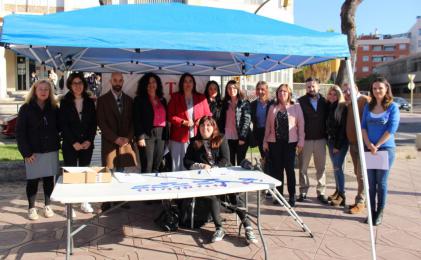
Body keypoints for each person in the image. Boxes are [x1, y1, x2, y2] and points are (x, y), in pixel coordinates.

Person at [183, 116, 257, 244]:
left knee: (234, 195)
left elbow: (226, 160)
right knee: (213, 194)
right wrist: (200, 166)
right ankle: (219, 228)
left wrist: (213, 168)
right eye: (202, 126)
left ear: (213, 127)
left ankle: (248, 227)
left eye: (208, 126)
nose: (204, 128)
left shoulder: (221, 138)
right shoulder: (194, 142)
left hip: (223, 175)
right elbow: (186, 161)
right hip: (207, 180)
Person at [16, 79, 60, 220]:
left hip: (50, 150)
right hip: (32, 153)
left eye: (46, 89)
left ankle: (47, 205)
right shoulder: (26, 108)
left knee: (49, 180)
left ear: (50, 92)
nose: (43, 92)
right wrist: (26, 153)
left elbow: (60, 127)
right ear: (34, 90)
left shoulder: (54, 108)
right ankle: (31, 208)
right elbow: (20, 133)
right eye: (40, 89)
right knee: (32, 181)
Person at [97, 72, 137, 211]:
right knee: (107, 171)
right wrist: (115, 138)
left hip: (125, 143)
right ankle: (107, 200)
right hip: (110, 142)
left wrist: (128, 138)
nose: (118, 83)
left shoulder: (129, 100)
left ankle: (120, 198)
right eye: (115, 80)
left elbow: (133, 122)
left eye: (120, 80)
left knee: (121, 172)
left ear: (123, 81)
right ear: (110, 81)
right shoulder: (102, 100)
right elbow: (101, 123)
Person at [361, 77, 399, 226]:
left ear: (386, 89)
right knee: (370, 183)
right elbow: (363, 126)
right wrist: (369, 144)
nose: (377, 91)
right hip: (370, 149)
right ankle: (371, 212)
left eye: (380, 88)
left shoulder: (392, 107)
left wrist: (377, 145)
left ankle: (380, 212)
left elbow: (391, 129)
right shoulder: (368, 107)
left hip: (385, 149)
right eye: (375, 88)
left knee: (381, 182)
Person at [60, 72, 97, 214]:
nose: (77, 86)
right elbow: (63, 125)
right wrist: (73, 142)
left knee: (84, 172)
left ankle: (84, 201)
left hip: (86, 144)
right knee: (70, 174)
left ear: (84, 84)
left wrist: (89, 140)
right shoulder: (64, 101)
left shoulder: (89, 101)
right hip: (70, 144)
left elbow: (93, 123)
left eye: (80, 83)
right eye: (74, 83)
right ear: (70, 85)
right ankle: (68, 206)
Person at [263, 84, 304, 207]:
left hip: (290, 144)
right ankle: (279, 196)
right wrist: (265, 141)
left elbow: (301, 125)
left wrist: (301, 141)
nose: (282, 93)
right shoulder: (272, 108)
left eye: (285, 91)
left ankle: (292, 196)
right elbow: (268, 127)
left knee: (290, 171)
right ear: (277, 94)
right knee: (277, 171)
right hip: (275, 143)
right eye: (280, 91)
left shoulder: (296, 107)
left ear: (289, 93)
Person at [167, 73, 212, 171]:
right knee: (178, 165)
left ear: (194, 83)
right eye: (185, 81)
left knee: (195, 163)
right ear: (181, 84)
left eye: (190, 81)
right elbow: (169, 116)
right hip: (179, 137)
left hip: (197, 137)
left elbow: (209, 115)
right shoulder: (175, 97)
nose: (188, 84)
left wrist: (201, 120)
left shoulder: (201, 98)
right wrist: (183, 122)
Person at [297, 77, 329, 204]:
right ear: (306, 88)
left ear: (318, 86)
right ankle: (303, 192)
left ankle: (321, 192)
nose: (311, 89)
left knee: (321, 168)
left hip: (321, 140)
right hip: (306, 140)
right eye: (309, 87)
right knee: (303, 168)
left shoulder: (325, 102)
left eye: (313, 86)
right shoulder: (300, 102)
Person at [341, 83, 370, 214]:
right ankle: (361, 199)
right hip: (352, 144)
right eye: (345, 91)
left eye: (349, 90)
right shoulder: (350, 103)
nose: (347, 92)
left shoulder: (365, 101)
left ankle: (361, 201)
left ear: (356, 89)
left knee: (362, 175)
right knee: (358, 174)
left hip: (363, 144)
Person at [133, 73, 168, 173]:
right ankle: (145, 188)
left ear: (157, 84)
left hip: (161, 135)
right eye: (148, 82)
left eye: (153, 82)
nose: (151, 84)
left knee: (157, 164)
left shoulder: (162, 100)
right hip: (147, 134)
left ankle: (155, 187)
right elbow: (136, 119)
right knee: (147, 166)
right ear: (144, 85)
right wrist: (140, 137)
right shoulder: (139, 100)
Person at [219, 80, 251, 166]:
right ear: (226, 90)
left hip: (240, 137)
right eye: (229, 88)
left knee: (241, 163)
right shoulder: (225, 103)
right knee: (229, 163)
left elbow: (246, 121)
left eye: (234, 87)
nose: (231, 90)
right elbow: (221, 120)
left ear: (237, 89)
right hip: (227, 137)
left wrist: (243, 137)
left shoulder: (244, 103)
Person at [325, 85, 348, 207]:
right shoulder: (329, 106)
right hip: (330, 141)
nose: (332, 96)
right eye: (330, 94)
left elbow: (342, 129)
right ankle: (337, 191)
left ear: (339, 96)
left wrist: (337, 146)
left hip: (339, 143)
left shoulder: (342, 107)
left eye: (335, 94)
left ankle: (342, 195)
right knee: (335, 168)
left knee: (338, 168)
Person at [250, 81, 273, 157]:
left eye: (262, 89)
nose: (260, 91)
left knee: (271, 156)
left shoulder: (272, 104)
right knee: (263, 156)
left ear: (266, 90)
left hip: (270, 134)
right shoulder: (253, 104)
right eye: (258, 89)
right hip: (259, 134)